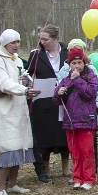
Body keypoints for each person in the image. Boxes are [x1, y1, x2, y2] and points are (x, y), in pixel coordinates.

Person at [0, 29, 38, 195]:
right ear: (4, 43)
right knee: (8, 148)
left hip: (18, 107)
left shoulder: (15, 60)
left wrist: (25, 81)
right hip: (4, 109)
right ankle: (0, 188)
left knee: (19, 146)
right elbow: (3, 82)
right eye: (13, 42)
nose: (16, 45)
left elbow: (17, 79)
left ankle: (13, 183)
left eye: (18, 42)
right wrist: (24, 89)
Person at [28, 24, 69, 183]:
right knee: (44, 135)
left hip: (63, 100)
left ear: (55, 39)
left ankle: (66, 164)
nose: (42, 41)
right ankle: (45, 166)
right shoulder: (36, 55)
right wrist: (30, 85)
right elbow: (29, 74)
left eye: (45, 39)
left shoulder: (67, 53)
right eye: (40, 39)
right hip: (43, 101)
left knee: (63, 133)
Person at [55, 46, 98, 190]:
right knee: (75, 151)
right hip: (71, 122)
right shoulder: (66, 79)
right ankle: (77, 178)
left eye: (79, 62)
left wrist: (78, 80)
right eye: (73, 63)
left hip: (86, 121)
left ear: (84, 63)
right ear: (69, 65)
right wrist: (58, 92)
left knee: (87, 151)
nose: (76, 66)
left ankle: (89, 179)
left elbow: (90, 93)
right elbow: (56, 99)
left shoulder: (90, 76)